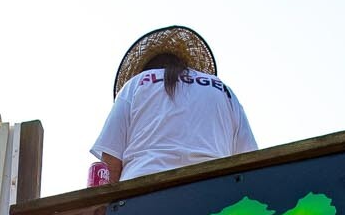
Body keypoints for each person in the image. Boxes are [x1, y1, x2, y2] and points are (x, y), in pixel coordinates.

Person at [91, 25, 257, 185]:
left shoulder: (135, 85)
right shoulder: (222, 90)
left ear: (147, 68)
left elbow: (110, 164)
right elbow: (249, 161)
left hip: (141, 191)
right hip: (214, 190)